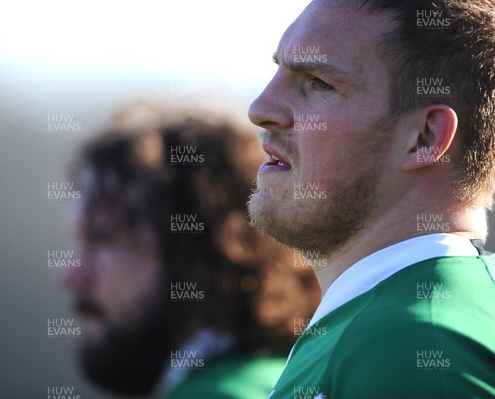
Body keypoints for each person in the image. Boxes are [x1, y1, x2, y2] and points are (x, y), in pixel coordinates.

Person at [247, 0, 495, 397]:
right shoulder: (388, 322)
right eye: (278, 70)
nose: (260, 110)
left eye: (318, 82)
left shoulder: (416, 343)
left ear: (425, 139)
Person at [62, 102, 320, 399]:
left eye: (102, 242)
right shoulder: (293, 374)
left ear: (200, 252)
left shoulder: (217, 393)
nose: (71, 275)